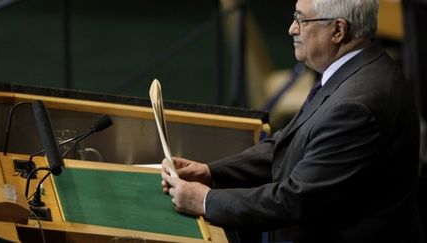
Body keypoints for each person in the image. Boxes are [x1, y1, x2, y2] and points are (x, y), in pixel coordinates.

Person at [161, 0, 425, 242]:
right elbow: (289, 145)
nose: (291, 29)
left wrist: (206, 201)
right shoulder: (353, 69)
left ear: (338, 30)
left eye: (301, 19)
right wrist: (211, 172)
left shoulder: (355, 104)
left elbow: (294, 200)